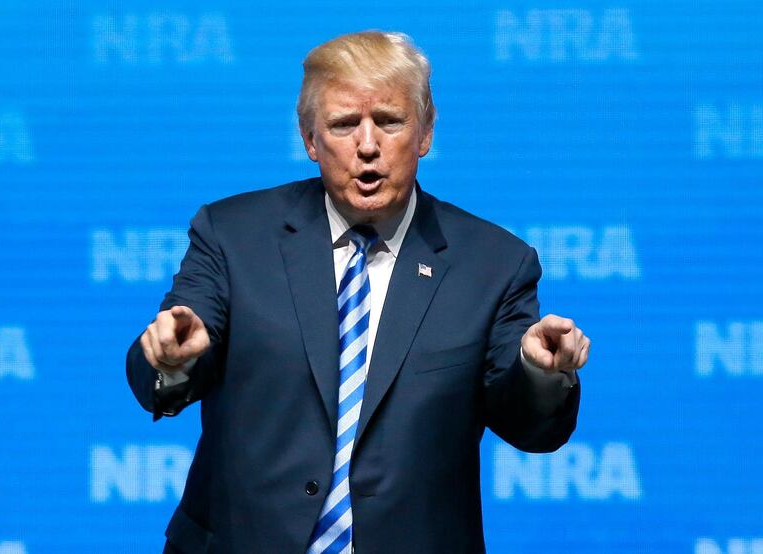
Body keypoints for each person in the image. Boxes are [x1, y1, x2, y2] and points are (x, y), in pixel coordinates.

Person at [126, 30, 590, 554]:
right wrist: (173, 358)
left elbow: (531, 427)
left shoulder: (494, 263)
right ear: (309, 139)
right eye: (344, 124)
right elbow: (165, 362)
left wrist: (540, 371)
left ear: (426, 132)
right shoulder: (232, 235)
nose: (367, 146)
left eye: (389, 122)